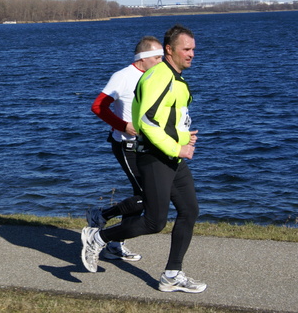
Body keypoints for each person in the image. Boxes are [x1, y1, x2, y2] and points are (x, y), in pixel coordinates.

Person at [81, 24, 207, 294]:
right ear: (170, 50)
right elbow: (148, 122)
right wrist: (177, 149)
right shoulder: (158, 77)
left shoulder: (175, 78)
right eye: (187, 49)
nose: (192, 54)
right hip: (153, 156)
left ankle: (172, 275)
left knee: (189, 210)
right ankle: (98, 236)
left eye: (194, 49)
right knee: (154, 221)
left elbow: (170, 119)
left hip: (171, 156)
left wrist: (185, 139)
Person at [86, 36, 164, 262]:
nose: (162, 61)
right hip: (126, 145)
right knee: (147, 196)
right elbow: (98, 106)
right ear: (143, 58)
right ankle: (104, 223)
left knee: (144, 195)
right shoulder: (123, 77)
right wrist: (123, 126)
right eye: (157, 57)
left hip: (150, 147)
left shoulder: (154, 76)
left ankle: (111, 236)